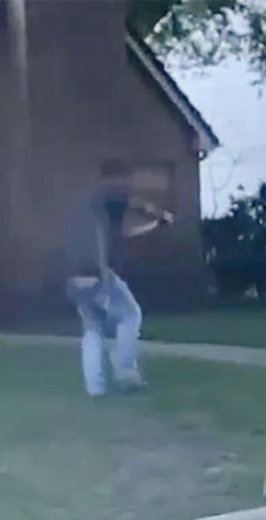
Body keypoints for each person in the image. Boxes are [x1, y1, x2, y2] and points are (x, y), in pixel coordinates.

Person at [65, 161, 174, 397]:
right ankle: (125, 373)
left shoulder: (88, 204)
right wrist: (159, 216)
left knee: (93, 329)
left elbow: (122, 233)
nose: (128, 186)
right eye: (125, 181)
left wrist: (155, 223)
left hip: (75, 276)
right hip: (97, 272)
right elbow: (136, 211)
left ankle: (95, 388)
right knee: (130, 314)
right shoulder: (112, 199)